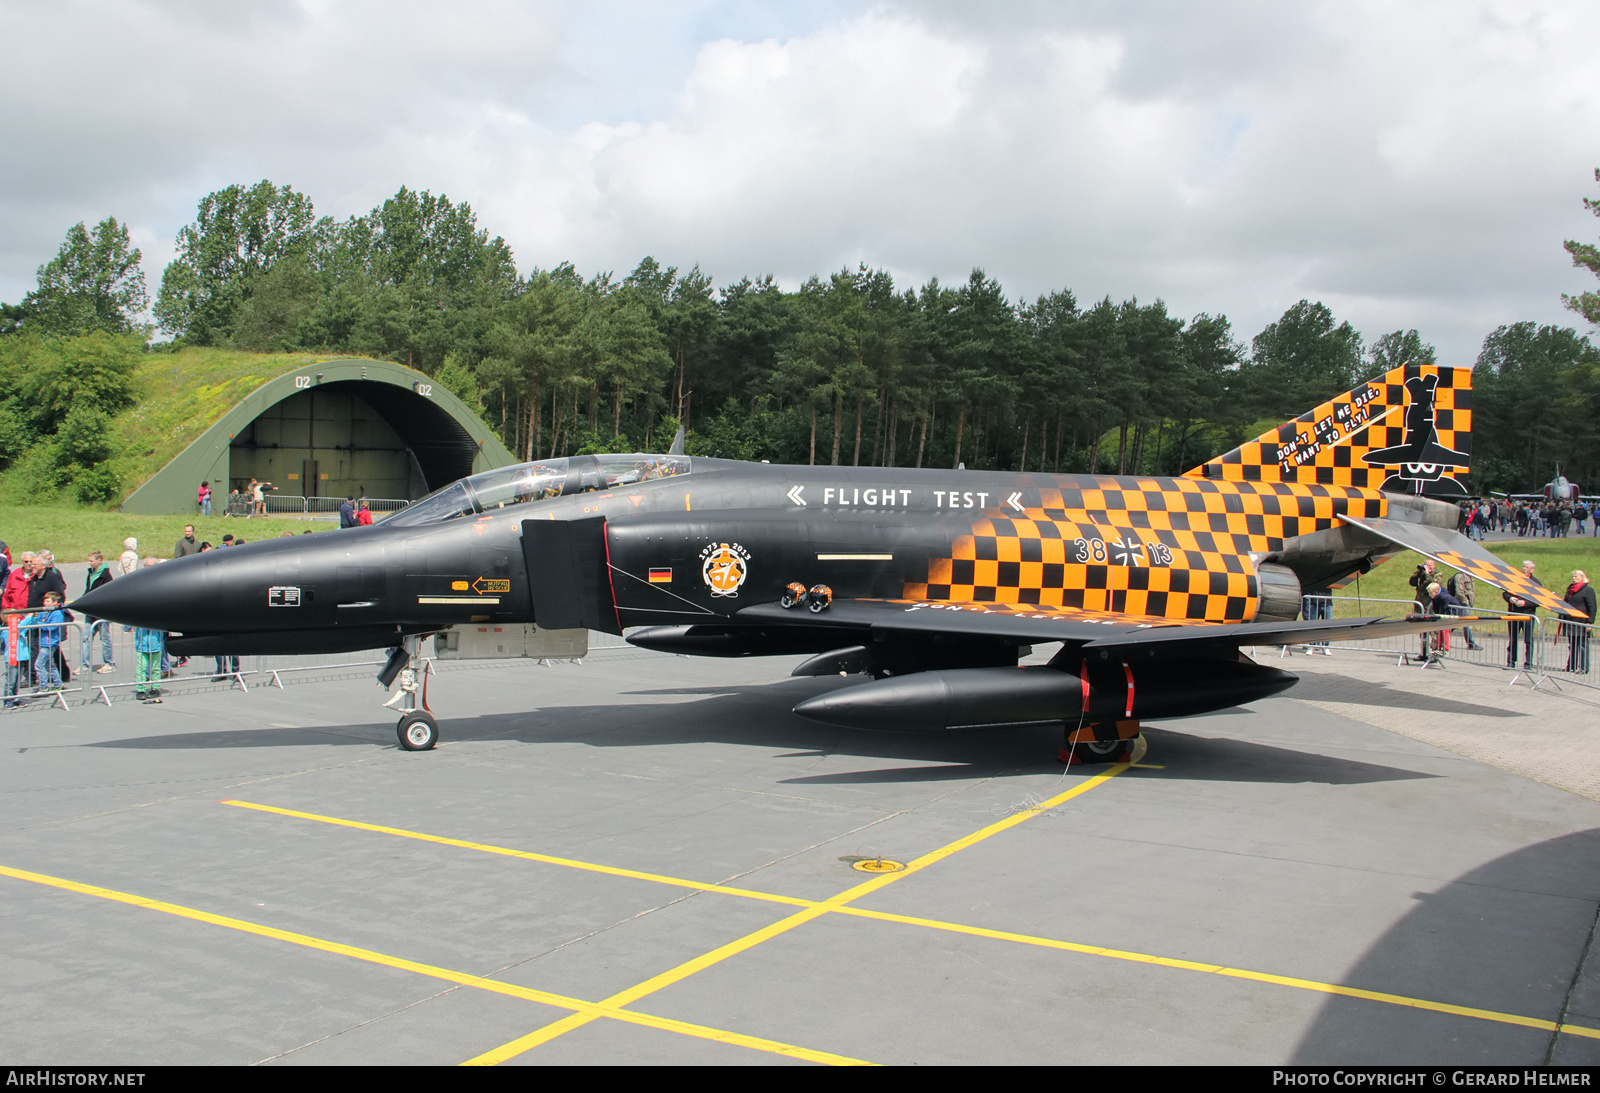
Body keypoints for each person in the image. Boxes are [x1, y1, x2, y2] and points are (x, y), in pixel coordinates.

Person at [1502, 559, 1542, 670]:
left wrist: (1525, 603)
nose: (1524, 569)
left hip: (1528, 615)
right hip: (1514, 614)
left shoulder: (1535, 583)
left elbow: (1539, 600)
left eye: (1527, 567)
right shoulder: (1515, 579)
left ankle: (1528, 663)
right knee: (1513, 639)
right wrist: (1511, 599)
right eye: (1523, 566)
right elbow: (1505, 593)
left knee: (1528, 640)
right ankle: (1511, 662)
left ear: (1532, 570)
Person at [82, 551, 116, 674]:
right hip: (90, 612)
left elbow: (109, 593)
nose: (90, 563)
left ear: (99, 561)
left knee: (105, 638)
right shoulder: (90, 574)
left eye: (92, 561)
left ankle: (109, 663)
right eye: (89, 560)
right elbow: (88, 589)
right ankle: (84, 664)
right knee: (86, 638)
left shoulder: (106, 575)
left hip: (101, 613)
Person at [28, 592, 67, 692]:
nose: (45, 603)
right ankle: (58, 684)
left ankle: (43, 686)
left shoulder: (57, 613)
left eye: (47, 601)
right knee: (50, 665)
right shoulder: (46, 612)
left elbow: (52, 627)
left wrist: (39, 623)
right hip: (44, 641)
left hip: (50, 643)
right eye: (44, 600)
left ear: (55, 602)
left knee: (39, 665)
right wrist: (35, 617)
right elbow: (38, 618)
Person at [1562, 570, 1595, 674]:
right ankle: (1571, 665)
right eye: (1573, 576)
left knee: (1582, 645)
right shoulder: (1570, 589)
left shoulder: (1588, 590)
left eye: (1576, 576)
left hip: (1582, 621)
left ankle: (1584, 667)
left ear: (1582, 577)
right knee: (1572, 645)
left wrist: (1590, 622)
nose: (1574, 578)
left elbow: (1592, 607)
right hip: (1570, 621)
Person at [1446, 568, 1480, 651]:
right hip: (1461, 603)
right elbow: (1459, 591)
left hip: (1463, 603)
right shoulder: (1460, 576)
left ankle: (1442, 638)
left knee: (1455, 623)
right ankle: (1471, 643)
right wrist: (1466, 602)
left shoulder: (1467, 576)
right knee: (1466, 623)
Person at [2, 615, 29, 708]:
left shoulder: (19, 628)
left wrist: (34, 617)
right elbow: (23, 624)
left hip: (21, 658)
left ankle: (15, 697)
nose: (18, 619)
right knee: (11, 680)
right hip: (12, 658)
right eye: (16, 618)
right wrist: (29, 616)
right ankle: (7, 699)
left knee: (18, 680)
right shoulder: (7, 630)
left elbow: (28, 625)